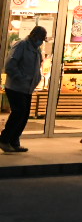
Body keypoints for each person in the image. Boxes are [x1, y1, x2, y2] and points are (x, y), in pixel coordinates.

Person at [1, 26, 48, 154]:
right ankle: (4, 139)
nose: (41, 41)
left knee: (24, 115)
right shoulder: (21, 45)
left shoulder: (36, 49)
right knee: (18, 112)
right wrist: (21, 78)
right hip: (15, 87)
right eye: (40, 39)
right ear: (34, 36)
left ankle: (14, 141)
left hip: (27, 88)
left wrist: (36, 80)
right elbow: (10, 65)